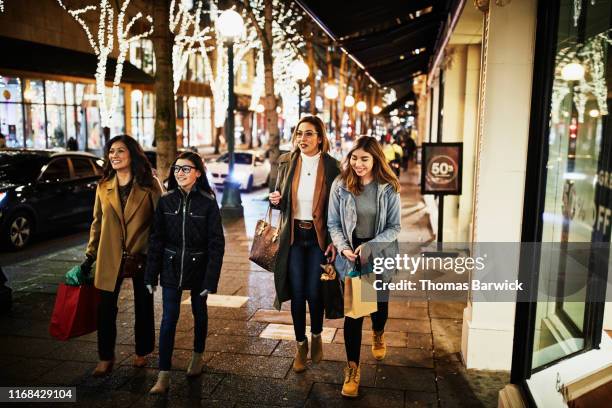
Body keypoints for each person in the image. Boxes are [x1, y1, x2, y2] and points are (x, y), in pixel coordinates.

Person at [81, 135, 162, 376]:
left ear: (132, 155)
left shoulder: (150, 185)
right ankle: (106, 356)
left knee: (143, 305)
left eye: (120, 151)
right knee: (105, 308)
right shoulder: (103, 186)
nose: (114, 156)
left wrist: (156, 253)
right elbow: (97, 222)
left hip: (142, 255)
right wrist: (90, 254)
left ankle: (142, 352)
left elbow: (161, 221)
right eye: (111, 151)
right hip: (109, 255)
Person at [327, 135, 401, 398]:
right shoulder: (341, 185)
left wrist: (371, 247)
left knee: (379, 309)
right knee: (355, 314)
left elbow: (395, 227)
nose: (358, 164)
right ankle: (352, 369)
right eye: (354, 158)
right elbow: (333, 223)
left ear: (375, 159)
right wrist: (344, 247)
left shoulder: (387, 187)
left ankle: (379, 333)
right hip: (354, 257)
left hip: (378, 253)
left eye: (364, 159)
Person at [145, 152, 225, 394]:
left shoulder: (208, 202)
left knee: (199, 312)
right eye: (177, 168)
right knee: (169, 318)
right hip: (171, 266)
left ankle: (197, 356)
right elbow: (156, 240)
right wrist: (151, 275)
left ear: (198, 173)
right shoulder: (166, 201)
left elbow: (216, 244)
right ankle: (163, 374)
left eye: (186, 169)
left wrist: (211, 280)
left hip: (199, 267)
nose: (180, 173)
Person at [269, 115, 340, 373]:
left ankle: (317, 335)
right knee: (297, 293)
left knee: (315, 292)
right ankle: (300, 344)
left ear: (320, 138)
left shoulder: (333, 166)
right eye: (299, 133)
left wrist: (333, 240)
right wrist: (274, 200)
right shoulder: (287, 162)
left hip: (319, 238)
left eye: (309, 134)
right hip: (295, 237)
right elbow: (278, 200)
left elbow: (339, 207)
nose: (302, 139)